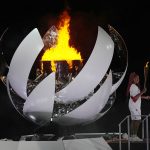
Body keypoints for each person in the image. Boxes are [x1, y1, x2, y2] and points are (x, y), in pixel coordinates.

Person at [126, 72, 150, 141]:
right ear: (132, 79)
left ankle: (130, 135)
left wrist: (145, 97)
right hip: (134, 106)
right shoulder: (133, 86)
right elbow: (134, 98)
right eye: (136, 78)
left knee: (134, 120)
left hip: (133, 106)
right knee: (138, 120)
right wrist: (142, 91)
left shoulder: (134, 86)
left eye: (138, 78)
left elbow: (137, 96)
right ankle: (134, 136)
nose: (138, 79)